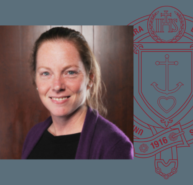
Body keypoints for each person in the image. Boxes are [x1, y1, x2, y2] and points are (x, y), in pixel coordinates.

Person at [21, 27, 133, 159]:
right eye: (46, 73)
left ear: (90, 79)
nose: (57, 86)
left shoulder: (114, 145)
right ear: (36, 80)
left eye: (70, 72)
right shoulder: (33, 135)